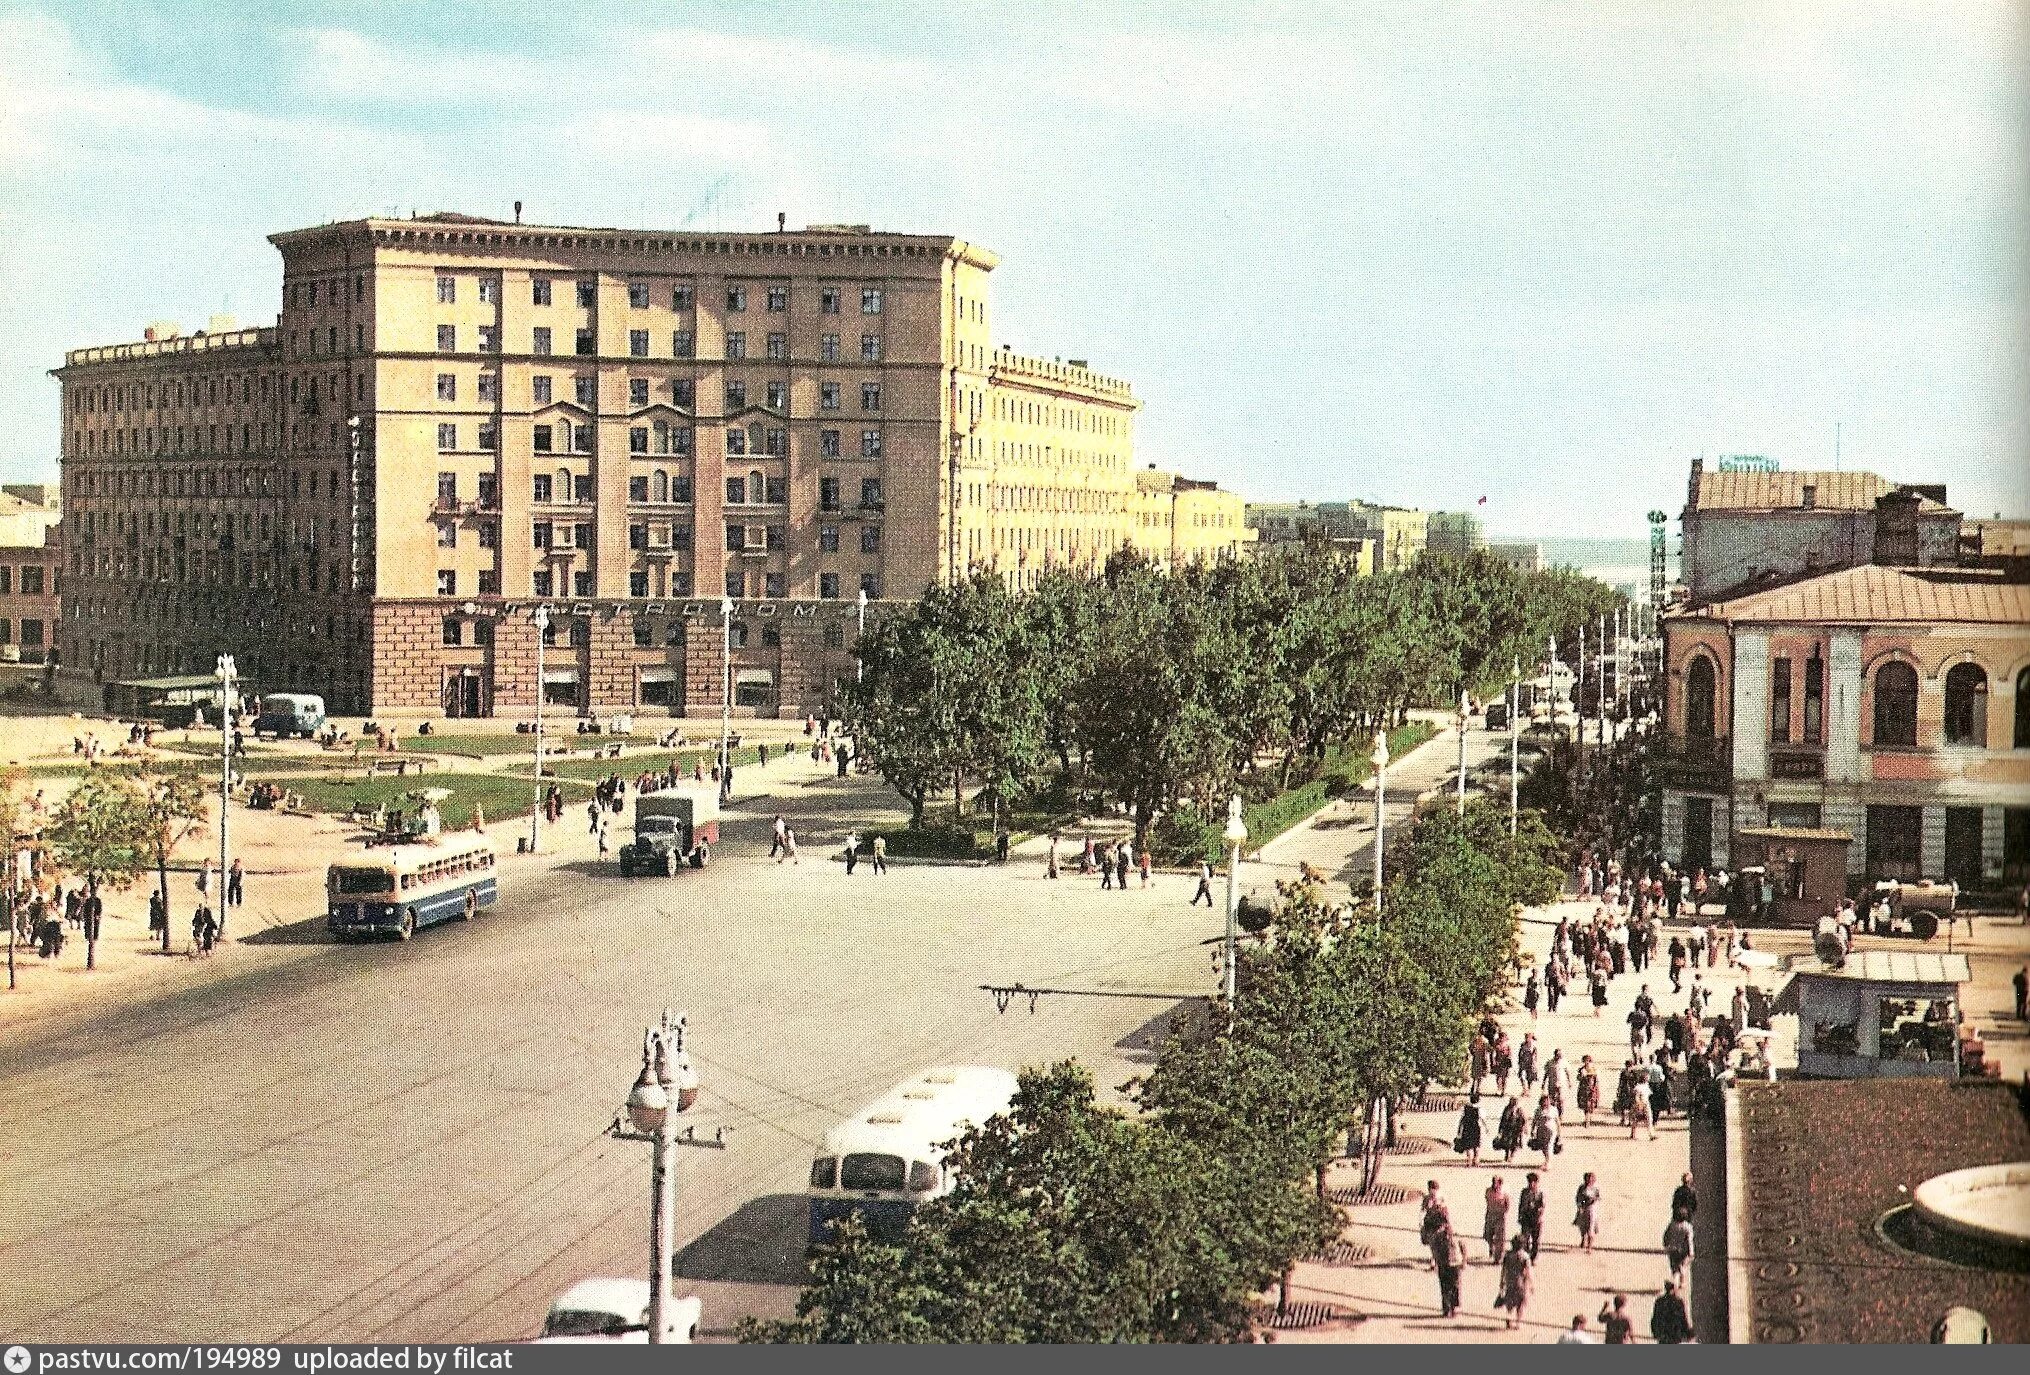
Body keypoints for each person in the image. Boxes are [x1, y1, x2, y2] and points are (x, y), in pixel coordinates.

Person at [1430, 1219, 1467, 1318]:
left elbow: (1464, 1249)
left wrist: (1464, 1262)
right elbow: (1434, 1249)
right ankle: (1446, 1308)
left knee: (1455, 1287)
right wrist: (1435, 1261)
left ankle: (1454, 1308)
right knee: (1445, 1287)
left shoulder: (1457, 1236)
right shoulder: (1438, 1236)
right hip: (1443, 1264)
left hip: (1455, 1264)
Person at [1497, 1238, 1533, 1330]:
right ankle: (1518, 1323)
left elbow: (1503, 1270)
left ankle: (1509, 1319)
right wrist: (1531, 1284)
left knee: (1510, 1303)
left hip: (1510, 1281)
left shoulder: (1508, 1255)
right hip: (1521, 1282)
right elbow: (1528, 1271)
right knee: (1520, 1303)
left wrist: (1502, 1282)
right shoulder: (1525, 1256)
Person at [1650, 1279, 1693, 1344]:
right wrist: (1688, 1333)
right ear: (1673, 1289)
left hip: (1663, 1337)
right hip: (1674, 1337)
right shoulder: (1678, 1302)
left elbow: (1654, 1319)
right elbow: (1683, 1320)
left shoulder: (1659, 1301)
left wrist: (1656, 1334)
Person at [1517, 1172, 1546, 1261]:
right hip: (1526, 1218)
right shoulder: (1524, 1192)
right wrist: (1520, 1216)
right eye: (1530, 1182)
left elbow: (1542, 1206)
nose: (1532, 1184)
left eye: (1534, 1182)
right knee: (1525, 1239)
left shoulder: (1540, 1193)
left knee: (1536, 1240)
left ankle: (1533, 1257)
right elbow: (1521, 1205)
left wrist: (1539, 1213)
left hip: (1536, 1219)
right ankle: (1526, 1257)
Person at [1663, 1205, 1694, 1288]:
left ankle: (1675, 1281)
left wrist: (1666, 1245)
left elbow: (1666, 1235)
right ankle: (1682, 1282)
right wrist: (1691, 1252)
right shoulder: (1688, 1227)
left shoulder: (1672, 1225)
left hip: (1672, 1249)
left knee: (1675, 1268)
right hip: (1683, 1250)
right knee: (1682, 1266)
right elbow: (1689, 1240)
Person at [1483, 1176, 1511, 1264]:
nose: (1494, 1184)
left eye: (1496, 1183)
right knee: (1487, 1235)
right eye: (1493, 1182)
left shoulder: (1504, 1193)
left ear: (1500, 1183)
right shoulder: (1488, 1191)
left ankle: (1498, 1258)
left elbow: (1508, 1205)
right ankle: (1492, 1246)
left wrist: (1503, 1213)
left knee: (1500, 1238)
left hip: (1500, 1217)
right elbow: (1487, 1200)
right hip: (1490, 1215)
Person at [1495, 1093, 1527, 1164]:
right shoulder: (1507, 1108)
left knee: (1515, 1143)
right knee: (1507, 1143)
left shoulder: (1519, 1109)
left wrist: (1525, 1128)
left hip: (1517, 1129)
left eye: (1516, 1101)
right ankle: (1507, 1155)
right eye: (1513, 1100)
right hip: (1507, 1129)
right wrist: (1500, 1129)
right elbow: (1503, 1119)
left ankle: (1512, 1156)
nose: (1514, 1102)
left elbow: (1524, 1119)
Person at [1530, 1094, 1560, 1168]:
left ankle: (1548, 1163)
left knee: (1549, 1145)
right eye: (1545, 1101)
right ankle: (1546, 1159)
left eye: (1548, 1101)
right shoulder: (1538, 1110)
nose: (1547, 1103)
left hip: (1551, 1130)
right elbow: (1534, 1120)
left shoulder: (1553, 1109)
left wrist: (1559, 1132)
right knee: (1543, 1146)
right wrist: (1532, 1130)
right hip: (1541, 1130)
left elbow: (1557, 1121)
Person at [1454, 1093, 1483, 1166]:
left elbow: (1462, 1120)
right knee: (1476, 1145)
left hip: (1467, 1128)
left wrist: (1459, 1130)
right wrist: (1486, 1128)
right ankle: (1476, 1160)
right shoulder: (1479, 1109)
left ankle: (1469, 1161)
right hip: (1475, 1128)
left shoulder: (1466, 1108)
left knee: (1468, 1146)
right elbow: (1482, 1119)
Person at [1575, 1054, 1599, 1127]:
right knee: (1585, 1105)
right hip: (1583, 1088)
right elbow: (1578, 1078)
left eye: (1588, 1061)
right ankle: (1587, 1119)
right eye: (1585, 1061)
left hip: (1591, 1089)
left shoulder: (1593, 1069)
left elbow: (1596, 1080)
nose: (1587, 1062)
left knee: (1590, 1104)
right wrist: (1581, 1076)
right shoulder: (1582, 1069)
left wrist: (1594, 1089)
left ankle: (1588, 1118)